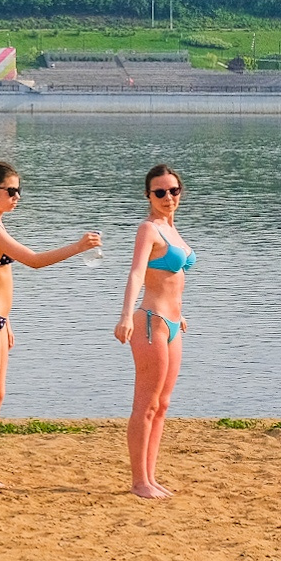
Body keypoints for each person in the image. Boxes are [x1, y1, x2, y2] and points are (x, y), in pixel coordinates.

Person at [0, 161, 101, 489]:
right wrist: (78, 247)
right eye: (11, 191)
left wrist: (6, 321)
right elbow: (34, 261)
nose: (17, 196)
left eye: (19, 190)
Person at [114, 164, 193, 499]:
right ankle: (139, 481)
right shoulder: (148, 229)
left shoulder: (172, 230)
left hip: (173, 324)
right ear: (148, 195)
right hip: (150, 323)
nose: (167, 197)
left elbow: (173, 281)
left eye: (173, 191)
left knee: (163, 404)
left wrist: (182, 314)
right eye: (160, 192)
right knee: (145, 404)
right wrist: (125, 316)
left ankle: (151, 475)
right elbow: (136, 273)